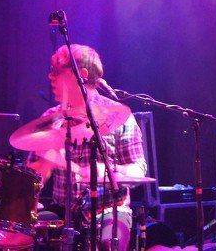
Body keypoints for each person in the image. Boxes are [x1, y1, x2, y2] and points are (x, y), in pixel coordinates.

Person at [28, 44, 147, 251]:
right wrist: (45, 162)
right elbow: (30, 180)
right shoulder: (51, 119)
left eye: (57, 71)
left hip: (109, 209)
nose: (50, 76)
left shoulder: (118, 117)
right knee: (28, 234)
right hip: (63, 211)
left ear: (82, 75)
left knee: (108, 243)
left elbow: (138, 170)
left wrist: (106, 171)